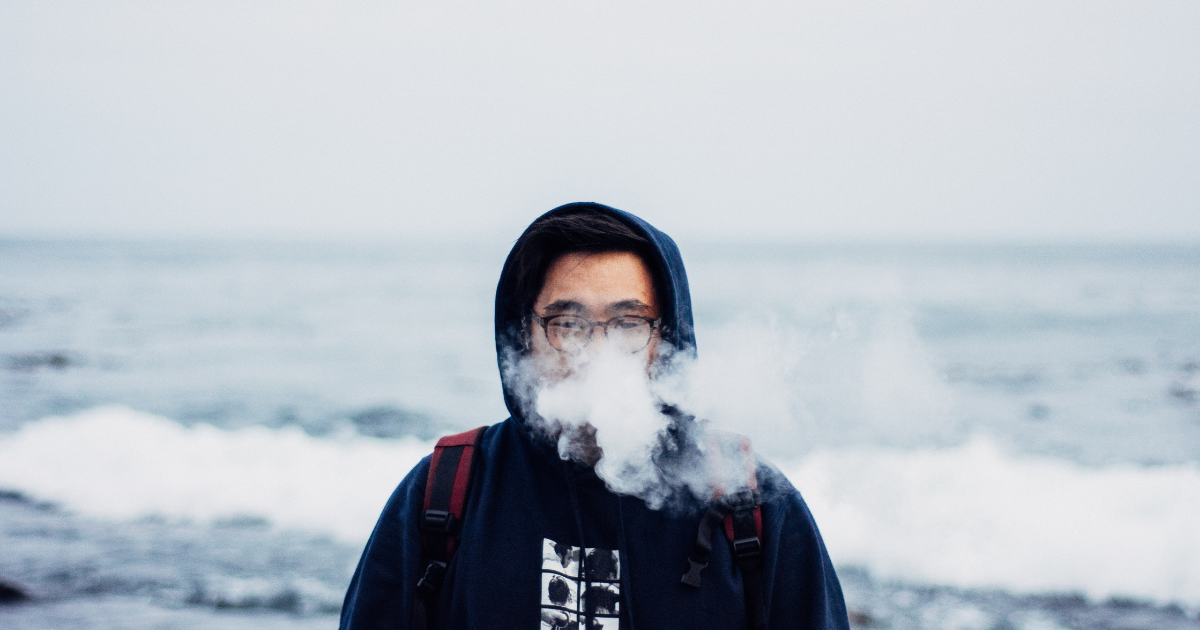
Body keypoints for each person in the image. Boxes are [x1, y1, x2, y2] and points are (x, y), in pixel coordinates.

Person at [340, 202, 849, 630]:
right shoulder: (446, 492)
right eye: (568, 324)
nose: (595, 353)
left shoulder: (749, 501)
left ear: (666, 339)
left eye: (628, 324)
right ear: (524, 337)